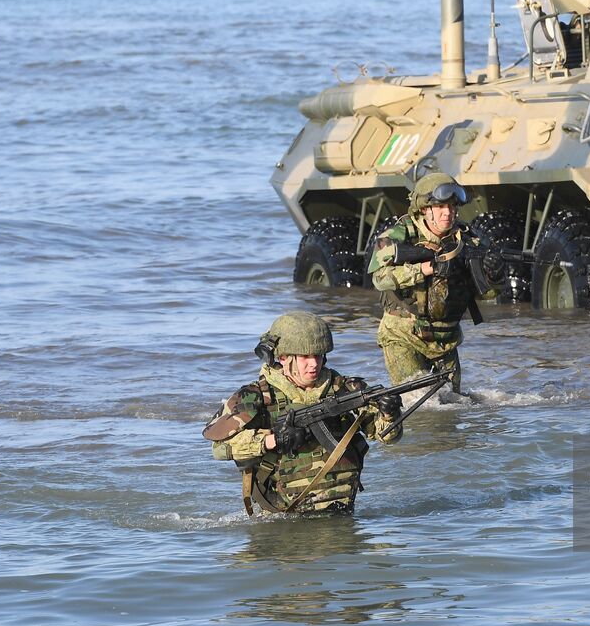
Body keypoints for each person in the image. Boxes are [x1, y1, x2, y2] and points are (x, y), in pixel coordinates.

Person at [204, 310, 402, 515]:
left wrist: (389, 413)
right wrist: (273, 440)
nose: (314, 364)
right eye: (305, 357)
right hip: (284, 516)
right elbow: (219, 448)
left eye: (318, 356)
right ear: (283, 358)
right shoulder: (255, 396)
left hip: (341, 511)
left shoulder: (345, 389)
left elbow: (387, 437)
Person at [368, 172, 496, 393]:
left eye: (453, 206)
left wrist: (494, 275)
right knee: (416, 406)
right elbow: (380, 278)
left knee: (452, 410)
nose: (448, 213)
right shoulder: (398, 235)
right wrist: (426, 269)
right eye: (440, 207)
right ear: (425, 209)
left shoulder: (468, 240)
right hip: (403, 335)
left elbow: (485, 295)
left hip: (446, 339)